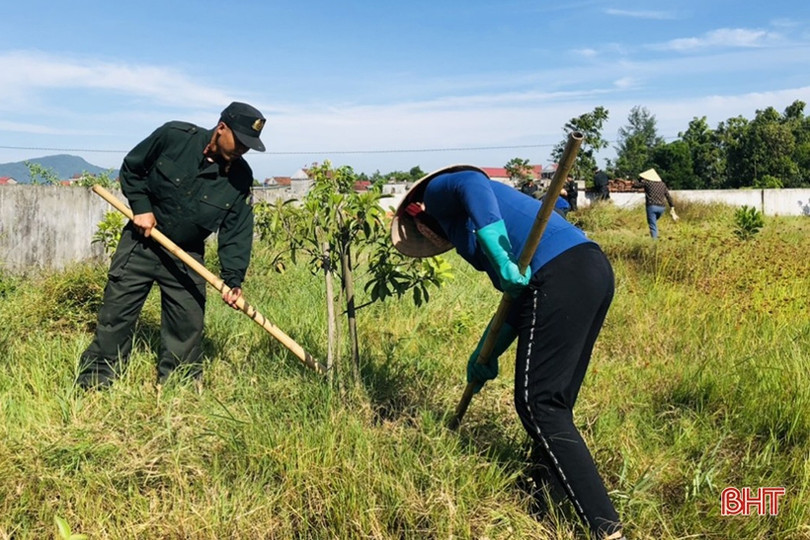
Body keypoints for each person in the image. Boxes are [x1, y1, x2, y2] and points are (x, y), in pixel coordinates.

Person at [391, 165, 625, 540]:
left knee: (539, 404)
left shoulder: (435, 192)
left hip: (562, 272)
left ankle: (606, 528)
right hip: (588, 268)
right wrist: (486, 352)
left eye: (420, 229)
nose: (426, 237)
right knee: (554, 405)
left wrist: (499, 250)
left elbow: (472, 182)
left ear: (417, 218)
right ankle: (546, 495)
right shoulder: (466, 229)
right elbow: (518, 299)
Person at [76, 102, 266, 389]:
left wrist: (233, 278)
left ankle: (180, 386)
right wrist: (141, 207)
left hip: (186, 254)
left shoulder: (240, 177)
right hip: (142, 243)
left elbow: (237, 230)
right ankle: (96, 381)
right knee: (116, 316)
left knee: (187, 324)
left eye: (249, 145)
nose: (243, 149)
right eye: (239, 141)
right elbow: (132, 168)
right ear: (221, 127)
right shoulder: (175, 137)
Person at [633, 168, 678, 239]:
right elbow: (668, 196)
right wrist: (672, 206)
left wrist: (639, 180)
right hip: (662, 208)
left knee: (652, 225)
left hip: (652, 206)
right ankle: (655, 236)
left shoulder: (647, 183)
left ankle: (654, 242)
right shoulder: (662, 184)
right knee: (654, 223)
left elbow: (635, 185)